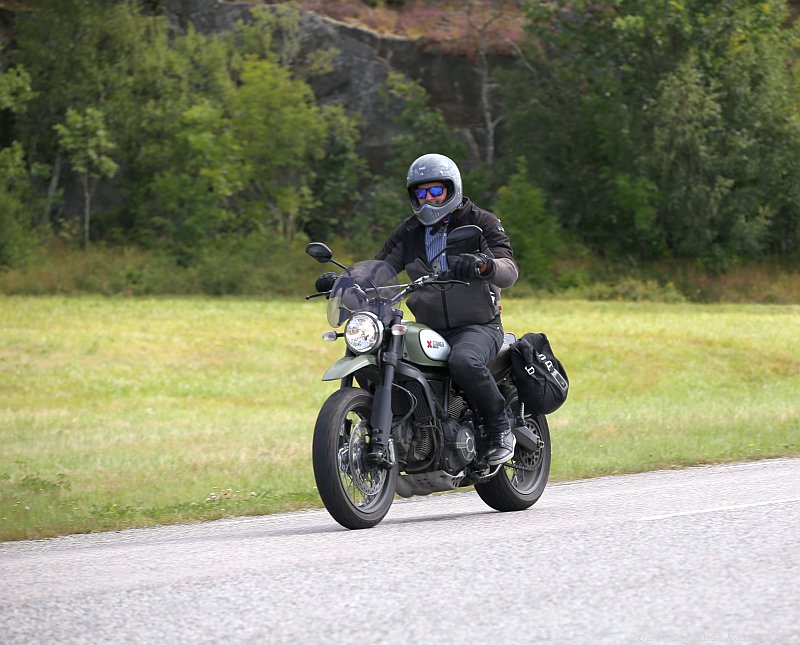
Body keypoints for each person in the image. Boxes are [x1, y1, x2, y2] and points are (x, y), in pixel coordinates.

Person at [317, 153, 519, 465]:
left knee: (464, 361)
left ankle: (499, 429)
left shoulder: (480, 222)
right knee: (384, 356)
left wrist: (484, 264)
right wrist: (347, 281)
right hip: (430, 326)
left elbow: (508, 268)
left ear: (452, 189)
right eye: (421, 193)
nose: (428, 199)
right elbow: (381, 266)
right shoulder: (409, 232)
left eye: (435, 191)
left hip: (478, 326)